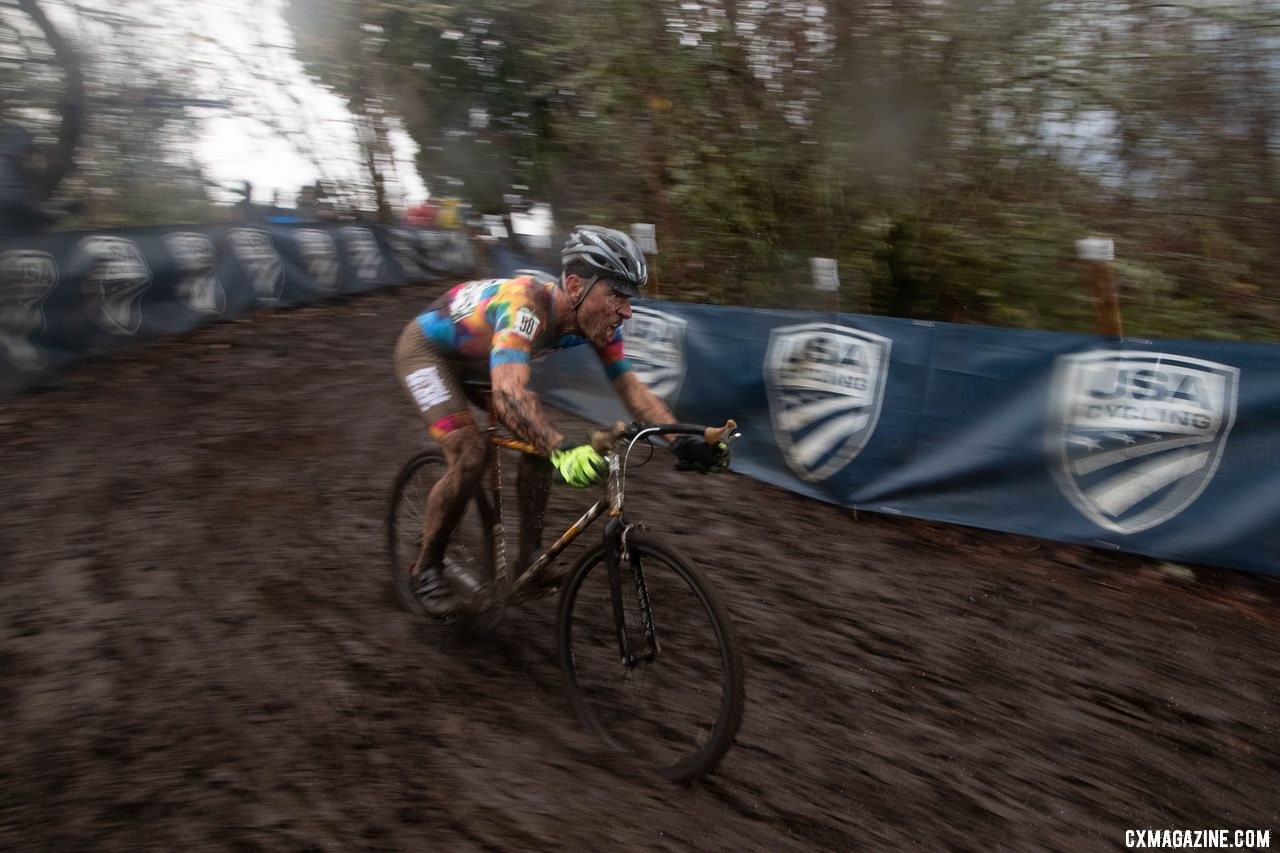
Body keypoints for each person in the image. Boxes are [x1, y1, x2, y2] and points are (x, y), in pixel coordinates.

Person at [393, 224, 731, 617]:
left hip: (480, 359)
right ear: (575, 286)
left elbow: (633, 391)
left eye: (630, 297)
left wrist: (681, 441)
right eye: (617, 295)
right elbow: (508, 394)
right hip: (427, 353)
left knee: (538, 438)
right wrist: (561, 449)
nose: (627, 310)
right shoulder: (526, 305)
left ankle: (530, 561)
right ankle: (426, 568)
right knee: (471, 451)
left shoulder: (598, 323)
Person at [0, 124, 78, 237]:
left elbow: (30, 206)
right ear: (19, 149)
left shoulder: (16, 167)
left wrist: (61, 206)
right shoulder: (7, 167)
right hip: (10, 235)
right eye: (28, 151)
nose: (30, 156)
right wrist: (60, 212)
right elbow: (21, 209)